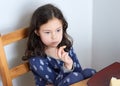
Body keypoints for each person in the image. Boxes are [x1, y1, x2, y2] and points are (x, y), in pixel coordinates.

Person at [22, 4, 96, 86]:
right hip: (58, 83)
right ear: (37, 32)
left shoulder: (66, 46)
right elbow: (56, 83)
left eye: (58, 30)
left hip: (71, 80)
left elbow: (79, 72)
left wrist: (70, 64)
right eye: (47, 32)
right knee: (75, 77)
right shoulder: (36, 60)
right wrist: (67, 66)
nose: (54, 37)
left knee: (89, 73)